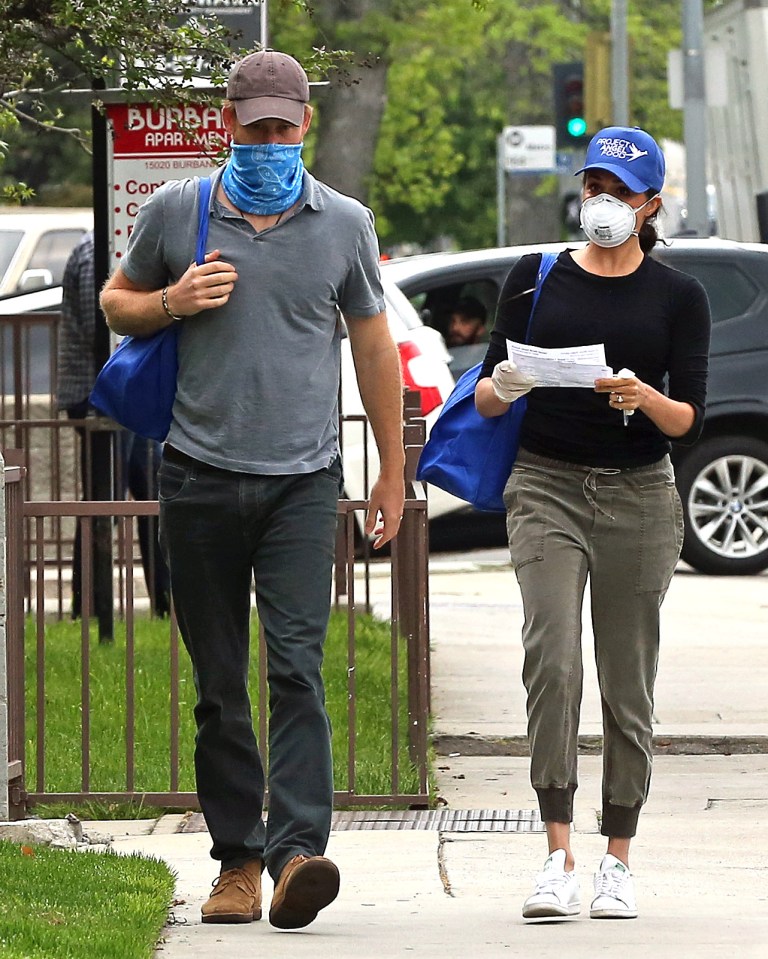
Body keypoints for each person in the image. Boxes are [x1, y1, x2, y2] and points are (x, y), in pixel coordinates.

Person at [100, 49, 405, 929]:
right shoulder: (178, 211)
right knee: (219, 682)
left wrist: (391, 469)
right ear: (224, 123)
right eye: (254, 124)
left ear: (305, 124)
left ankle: (297, 853)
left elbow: (375, 345)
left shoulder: (345, 224)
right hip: (196, 476)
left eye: (284, 125)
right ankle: (235, 859)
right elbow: (118, 302)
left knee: (297, 669)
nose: (269, 140)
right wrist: (173, 301)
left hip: (303, 485)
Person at [475, 126, 711, 921]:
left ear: (650, 204)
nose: (601, 202)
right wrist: (506, 379)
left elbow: (688, 421)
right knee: (553, 658)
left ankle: (619, 856)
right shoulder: (536, 276)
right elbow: (484, 398)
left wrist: (643, 395)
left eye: (618, 190)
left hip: (641, 493)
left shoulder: (680, 295)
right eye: (592, 187)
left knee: (626, 677)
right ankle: (556, 853)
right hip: (546, 483)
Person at [58, 230, 170, 618]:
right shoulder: (97, 250)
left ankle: (165, 604)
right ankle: (89, 605)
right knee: (103, 502)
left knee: (152, 494)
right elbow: (102, 326)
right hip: (103, 393)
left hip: (122, 390)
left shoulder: (105, 248)